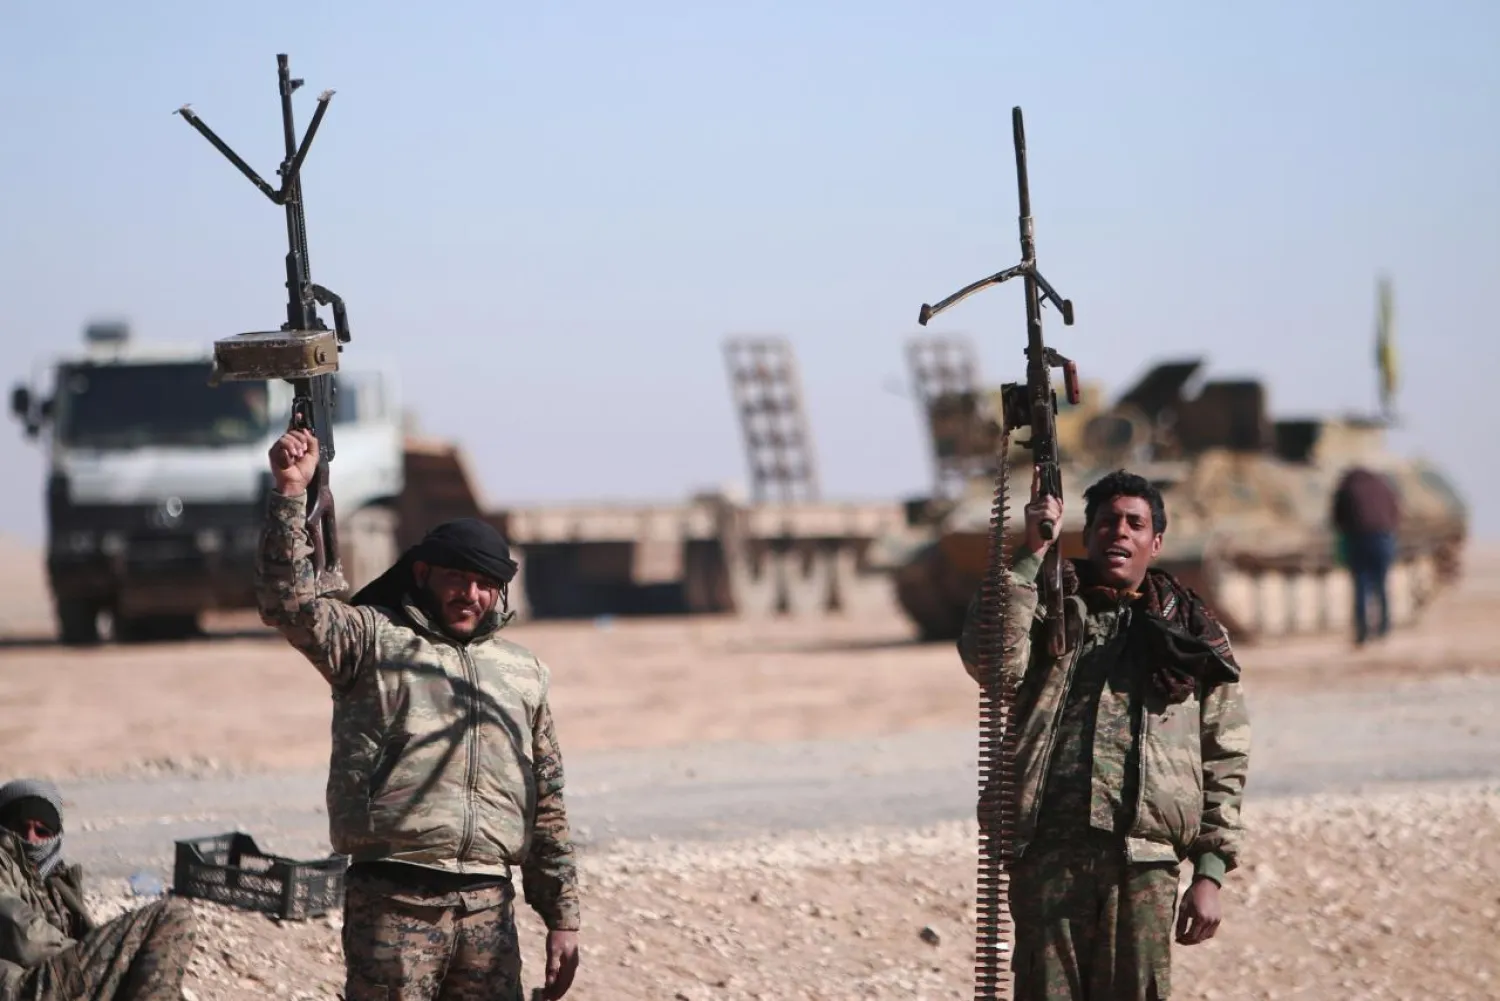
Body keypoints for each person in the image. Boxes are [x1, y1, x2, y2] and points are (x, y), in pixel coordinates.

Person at [255, 427, 580, 1001]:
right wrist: (289, 494)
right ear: (424, 574)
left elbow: (547, 801)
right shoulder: (369, 640)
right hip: (394, 900)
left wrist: (562, 917)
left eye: (485, 584)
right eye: (457, 578)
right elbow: (290, 604)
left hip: (488, 908)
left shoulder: (523, 672)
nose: (470, 594)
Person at [957, 468, 1251, 1001]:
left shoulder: (1192, 634)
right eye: (1107, 522)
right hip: (1048, 855)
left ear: (1155, 542)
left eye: (1135, 524)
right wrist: (1031, 552)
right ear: (1088, 535)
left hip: (1144, 865)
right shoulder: (1046, 612)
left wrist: (1209, 872)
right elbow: (990, 663)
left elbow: (1224, 758)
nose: (1120, 532)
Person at [0, 778, 198, 1001]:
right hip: (19, 988)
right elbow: (23, 934)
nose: (30, 838)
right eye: (20, 827)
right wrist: (97, 955)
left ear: (55, 836)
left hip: (56, 983)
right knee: (172, 914)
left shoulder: (55, 884)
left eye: (42, 831)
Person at [1330, 466, 1401, 646]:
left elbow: (1337, 518)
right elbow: (1396, 511)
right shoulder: (1384, 485)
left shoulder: (1348, 488)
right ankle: (1383, 629)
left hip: (1358, 539)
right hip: (1383, 537)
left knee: (1361, 586)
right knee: (1381, 585)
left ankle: (1362, 632)